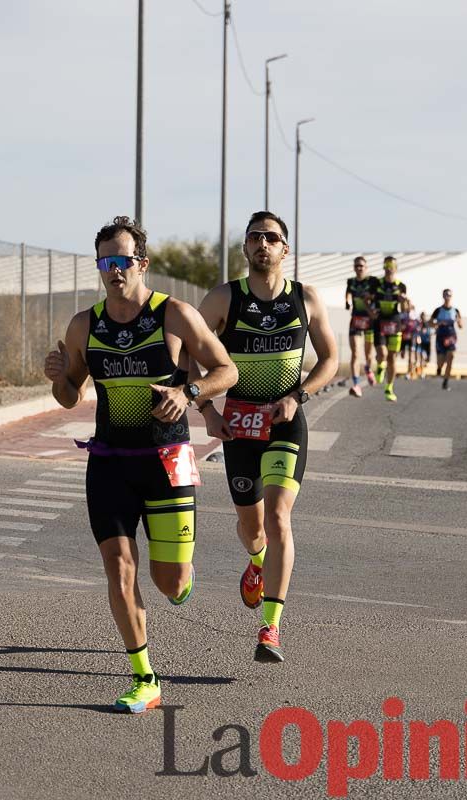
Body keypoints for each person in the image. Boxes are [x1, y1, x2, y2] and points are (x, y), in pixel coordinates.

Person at [45, 216, 238, 714]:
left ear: (142, 264)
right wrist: (56, 378)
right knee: (119, 568)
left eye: (122, 261)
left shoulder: (174, 315)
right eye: (105, 262)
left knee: (169, 581)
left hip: (167, 459)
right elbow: (70, 396)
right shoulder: (84, 324)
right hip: (110, 462)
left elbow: (226, 369)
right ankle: (144, 676)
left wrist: (188, 392)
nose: (114, 270)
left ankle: (182, 575)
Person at [194, 211, 338, 663]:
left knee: (278, 517)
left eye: (271, 238)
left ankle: (270, 628)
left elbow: (330, 359)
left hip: (284, 421)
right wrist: (206, 410)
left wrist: (299, 395)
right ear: (245, 248)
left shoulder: (305, 298)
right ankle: (257, 562)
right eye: (255, 237)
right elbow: (181, 352)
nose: (263, 244)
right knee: (251, 526)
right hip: (238, 425)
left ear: (285, 249)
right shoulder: (223, 299)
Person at [373, 256, 409, 401]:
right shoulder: (377, 283)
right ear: (383, 267)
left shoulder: (401, 286)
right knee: (382, 352)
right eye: (386, 265)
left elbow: (404, 308)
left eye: (391, 266)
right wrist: (370, 311)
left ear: (396, 268)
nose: (389, 268)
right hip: (380, 321)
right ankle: (380, 366)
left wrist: (404, 301)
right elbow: (368, 299)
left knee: (392, 358)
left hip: (395, 322)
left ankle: (389, 387)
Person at [344, 256, 379, 397]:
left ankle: (368, 369)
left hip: (369, 320)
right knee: (355, 353)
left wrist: (369, 299)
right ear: (354, 267)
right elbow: (348, 293)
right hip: (356, 319)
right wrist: (347, 302)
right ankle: (356, 385)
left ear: (366, 267)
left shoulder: (372, 281)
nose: (359, 268)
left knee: (369, 354)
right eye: (357, 266)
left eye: (362, 266)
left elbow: (377, 295)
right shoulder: (351, 281)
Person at [430, 289, 462, 390]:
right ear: (443, 296)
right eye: (446, 295)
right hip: (440, 337)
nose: (447, 297)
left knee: (451, 357)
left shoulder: (455, 311)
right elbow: (430, 322)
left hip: (451, 337)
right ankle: (439, 368)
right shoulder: (438, 310)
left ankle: (446, 381)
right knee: (441, 361)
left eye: (449, 295)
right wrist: (438, 323)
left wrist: (458, 321)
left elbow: (461, 325)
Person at [400, 306, 418, 380]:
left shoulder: (414, 315)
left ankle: (409, 372)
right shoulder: (402, 315)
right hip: (403, 337)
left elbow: (417, 326)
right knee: (403, 355)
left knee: (411, 357)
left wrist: (417, 336)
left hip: (411, 337)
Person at [415, 311, 432, 379]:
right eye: (422, 316)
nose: (423, 317)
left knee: (427, 358)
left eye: (424, 316)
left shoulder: (427, 323)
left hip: (427, 342)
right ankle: (421, 372)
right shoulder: (419, 323)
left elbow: (429, 332)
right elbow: (418, 332)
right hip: (421, 342)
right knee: (420, 356)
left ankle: (423, 367)